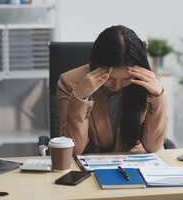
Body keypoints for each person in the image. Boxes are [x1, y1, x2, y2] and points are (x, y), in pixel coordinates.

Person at [57, 25, 168, 155]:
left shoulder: (144, 83)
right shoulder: (69, 82)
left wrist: (158, 97)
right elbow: (74, 149)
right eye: (110, 78)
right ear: (96, 64)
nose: (116, 86)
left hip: (132, 164)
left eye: (126, 79)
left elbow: (153, 147)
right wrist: (80, 97)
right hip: (87, 166)